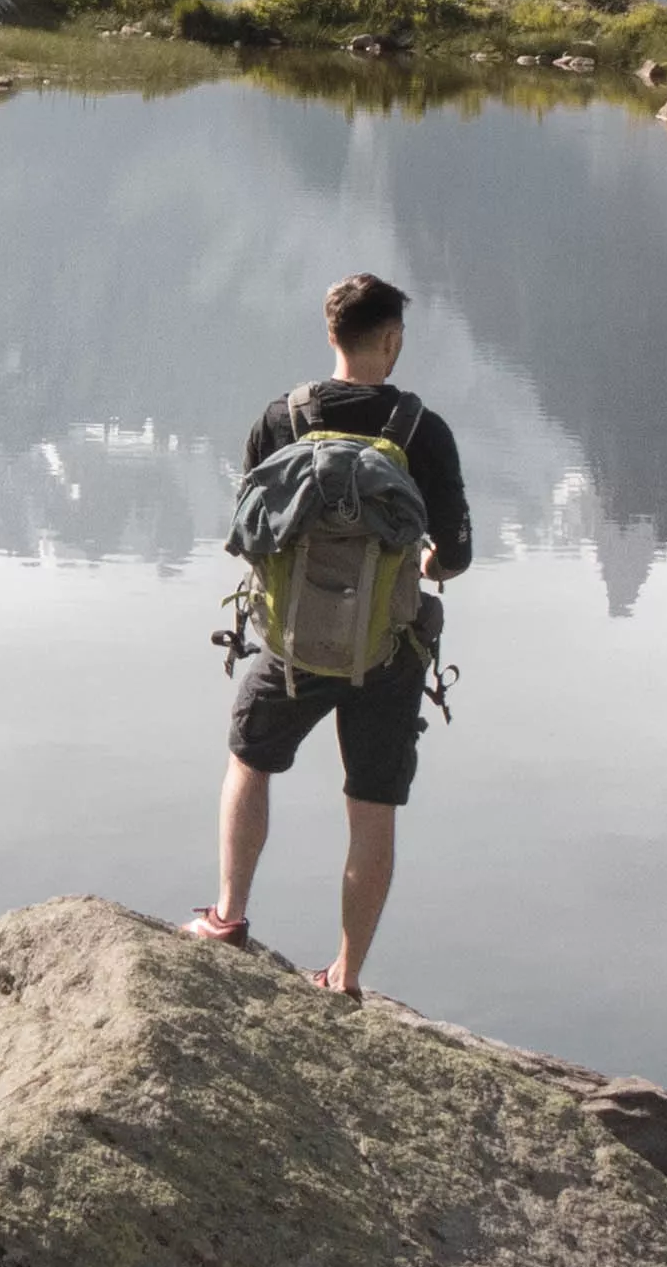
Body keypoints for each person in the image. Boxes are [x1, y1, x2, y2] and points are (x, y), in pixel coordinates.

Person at [188, 269, 472, 998]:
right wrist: (420, 564)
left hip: (290, 649)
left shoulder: (281, 420)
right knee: (371, 807)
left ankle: (228, 916)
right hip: (387, 651)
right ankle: (344, 975)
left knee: (249, 758)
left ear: (330, 335)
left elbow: (250, 529)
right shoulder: (422, 432)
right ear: (391, 339)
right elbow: (457, 554)